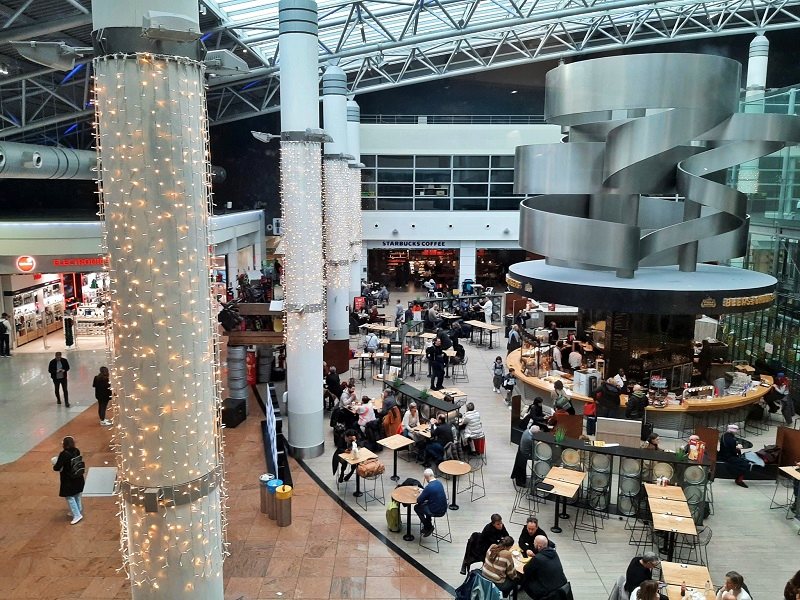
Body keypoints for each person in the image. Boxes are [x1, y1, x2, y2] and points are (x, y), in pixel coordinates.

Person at [521, 535, 567, 599]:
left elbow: (526, 569)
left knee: (524, 579)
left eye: (534, 543)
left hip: (548, 592)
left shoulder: (537, 558)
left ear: (539, 546)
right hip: (562, 585)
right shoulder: (554, 552)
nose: (533, 544)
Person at [52, 436, 85, 524]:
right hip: (78, 477)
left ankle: (77, 515)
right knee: (77, 494)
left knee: (69, 497)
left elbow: (57, 467)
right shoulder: (76, 450)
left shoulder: (64, 454)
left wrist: (55, 462)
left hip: (69, 480)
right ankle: (78, 510)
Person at [414, 468, 447, 537]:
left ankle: (428, 526)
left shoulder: (429, 487)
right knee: (426, 504)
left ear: (426, 477)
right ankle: (428, 526)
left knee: (417, 507)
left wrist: (422, 494)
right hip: (443, 508)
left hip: (436, 511)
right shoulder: (439, 483)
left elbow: (418, 501)